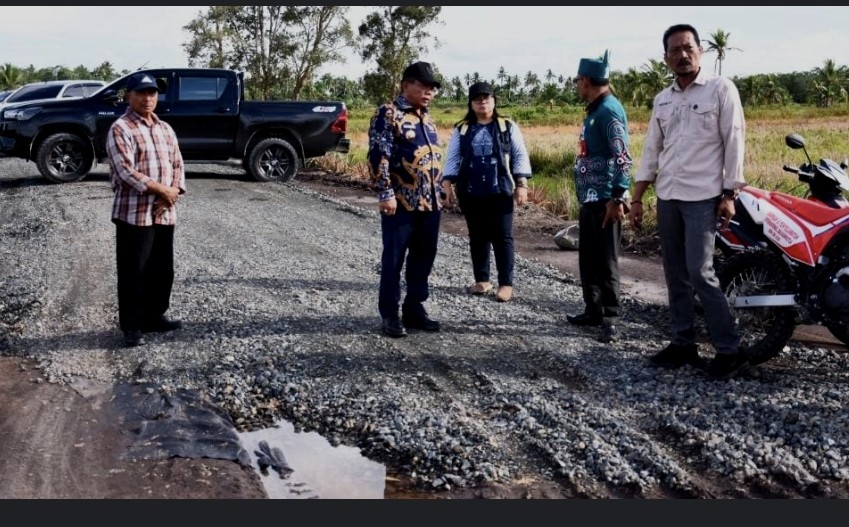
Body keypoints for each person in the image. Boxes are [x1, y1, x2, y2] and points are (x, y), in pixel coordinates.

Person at [628, 23, 747, 379]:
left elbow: (734, 141)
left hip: (703, 197)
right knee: (675, 274)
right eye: (675, 50)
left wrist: (730, 194)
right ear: (665, 58)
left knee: (700, 272)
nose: (682, 55)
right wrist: (637, 197)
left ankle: (729, 350)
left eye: (688, 48)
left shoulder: (720, 90)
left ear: (701, 51)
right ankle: (683, 344)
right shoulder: (663, 99)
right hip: (668, 196)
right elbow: (652, 149)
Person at [367, 61, 446, 338]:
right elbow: (379, 154)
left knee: (423, 259)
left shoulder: (427, 118)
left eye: (432, 88)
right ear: (406, 85)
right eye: (422, 86)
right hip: (401, 202)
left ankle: (414, 308)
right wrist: (385, 192)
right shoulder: (389, 113)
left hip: (431, 204)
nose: (428, 92)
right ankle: (390, 313)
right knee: (394, 259)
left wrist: (442, 191)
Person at [106, 72, 186, 348]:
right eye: (141, 93)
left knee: (162, 271)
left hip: (165, 211)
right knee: (134, 271)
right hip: (133, 213)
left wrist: (173, 192)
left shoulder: (165, 129)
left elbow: (178, 164)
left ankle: (154, 317)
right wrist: (160, 190)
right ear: (128, 96)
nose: (147, 98)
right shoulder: (121, 128)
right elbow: (125, 171)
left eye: (152, 93)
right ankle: (132, 327)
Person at [441, 81, 532, 303]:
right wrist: (446, 184)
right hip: (471, 191)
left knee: (503, 236)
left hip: (500, 189)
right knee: (477, 236)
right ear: (471, 104)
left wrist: (522, 184)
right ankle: (482, 280)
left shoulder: (506, 126)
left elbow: (520, 155)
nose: (482, 102)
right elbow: (453, 157)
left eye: (486, 98)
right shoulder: (462, 128)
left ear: (494, 101)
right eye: (477, 99)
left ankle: (505, 284)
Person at [565, 51, 633, 344]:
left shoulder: (609, 111)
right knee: (589, 259)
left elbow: (623, 157)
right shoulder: (595, 110)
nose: (577, 86)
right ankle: (592, 310)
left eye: (578, 81)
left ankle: (610, 318)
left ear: (586, 80)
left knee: (606, 261)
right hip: (590, 198)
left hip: (606, 199)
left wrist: (617, 198)